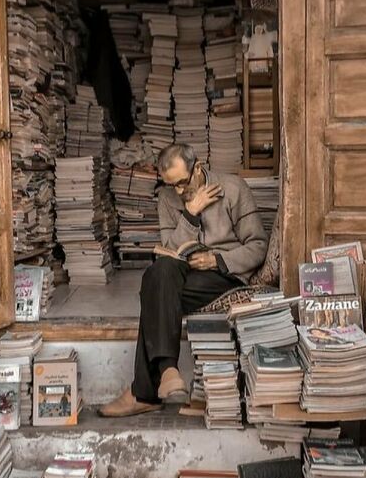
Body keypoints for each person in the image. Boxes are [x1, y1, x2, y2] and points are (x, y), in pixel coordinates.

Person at [99, 143, 269, 417]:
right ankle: (167, 372)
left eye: (182, 183)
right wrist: (190, 212)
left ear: (198, 168)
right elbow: (169, 249)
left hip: (224, 274)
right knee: (159, 274)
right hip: (184, 274)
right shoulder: (168, 198)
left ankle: (145, 390)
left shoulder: (234, 188)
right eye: (171, 185)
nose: (178, 191)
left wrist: (216, 260)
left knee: (153, 291)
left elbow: (258, 245)